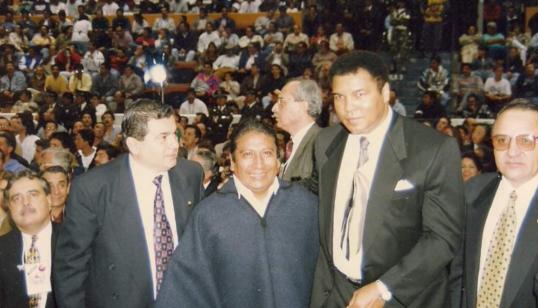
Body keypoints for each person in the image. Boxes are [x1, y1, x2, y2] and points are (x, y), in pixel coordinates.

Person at [308, 51, 464, 307]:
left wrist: (384, 288)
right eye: (339, 97)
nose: (348, 108)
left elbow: (442, 238)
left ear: (384, 92)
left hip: (398, 296)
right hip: (334, 293)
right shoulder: (326, 142)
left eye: (359, 95)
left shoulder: (432, 149)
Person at [54, 99, 204, 308]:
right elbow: (71, 268)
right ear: (134, 145)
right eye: (163, 137)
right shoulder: (93, 188)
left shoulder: (191, 174)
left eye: (175, 133)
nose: (175, 144)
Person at [156, 119, 319, 308]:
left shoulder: (305, 205)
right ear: (232, 162)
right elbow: (186, 287)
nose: (259, 164)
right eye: (247, 154)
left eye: (267, 153)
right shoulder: (209, 215)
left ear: (278, 160)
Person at [451, 102, 538, 308]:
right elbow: (456, 274)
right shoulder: (472, 191)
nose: (512, 151)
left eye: (525, 141)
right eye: (502, 140)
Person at [0, 171, 57, 308]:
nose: (25, 202)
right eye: (16, 198)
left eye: (33, 194)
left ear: (49, 200)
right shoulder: (2, 248)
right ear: (9, 208)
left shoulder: (75, 240)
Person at [273, 78, 321, 182]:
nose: (274, 108)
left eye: (282, 101)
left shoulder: (320, 143)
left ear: (304, 105)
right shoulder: (292, 144)